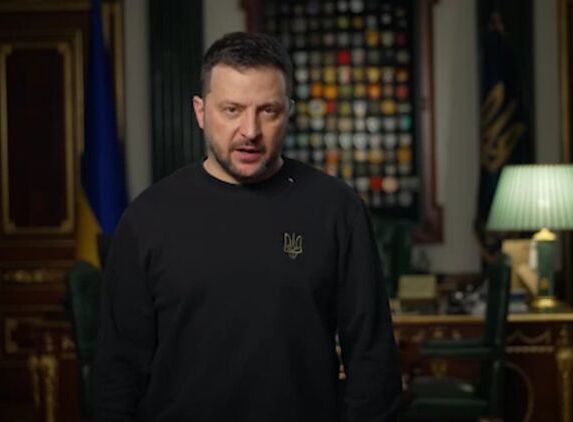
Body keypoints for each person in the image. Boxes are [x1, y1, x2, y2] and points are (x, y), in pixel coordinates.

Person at [94, 31, 402, 422]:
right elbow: (116, 374)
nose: (250, 130)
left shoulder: (337, 209)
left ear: (288, 112)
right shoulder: (146, 219)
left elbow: (374, 363)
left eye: (268, 110)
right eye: (232, 110)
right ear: (201, 111)